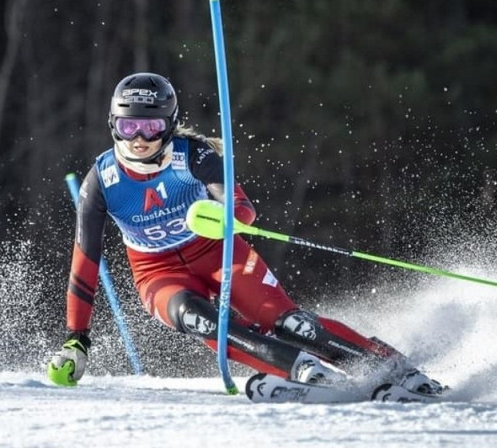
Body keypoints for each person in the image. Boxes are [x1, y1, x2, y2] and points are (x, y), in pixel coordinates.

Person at [47, 72, 444, 399]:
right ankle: (300, 370)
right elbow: (85, 262)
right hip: (157, 272)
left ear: (168, 125)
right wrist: (76, 338)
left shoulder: (193, 156)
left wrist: (229, 218)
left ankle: (394, 368)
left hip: (219, 252)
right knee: (197, 317)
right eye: (127, 125)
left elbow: (242, 207)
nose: (139, 137)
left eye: (151, 126)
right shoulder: (102, 180)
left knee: (292, 324)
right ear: (112, 124)